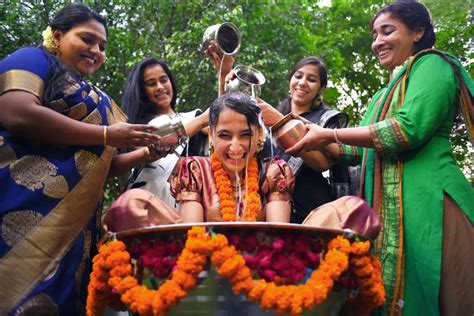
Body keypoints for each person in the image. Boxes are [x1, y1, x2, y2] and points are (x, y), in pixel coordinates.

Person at [286, 1, 474, 315]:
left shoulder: (433, 65)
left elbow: (406, 130)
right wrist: (305, 134)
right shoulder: (381, 94)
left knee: (433, 291)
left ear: (418, 32)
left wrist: (328, 134)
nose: (377, 42)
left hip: (428, 204)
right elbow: (356, 151)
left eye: (387, 31)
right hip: (386, 210)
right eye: (375, 34)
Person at [0, 4, 160, 314]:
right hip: (17, 206)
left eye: (102, 46)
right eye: (87, 39)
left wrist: (144, 152)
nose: (96, 50)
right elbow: (16, 112)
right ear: (57, 36)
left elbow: (102, 166)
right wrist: (105, 135)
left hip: (73, 233)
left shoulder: (97, 98)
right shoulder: (33, 59)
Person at [171, 92, 295, 223]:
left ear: (259, 134)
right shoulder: (195, 171)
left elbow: (277, 238)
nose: (235, 147)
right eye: (224, 135)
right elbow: (192, 235)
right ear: (211, 136)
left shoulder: (273, 174)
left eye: (246, 135)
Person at [257, 57, 352, 224]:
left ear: (321, 89)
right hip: (268, 208)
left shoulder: (324, 120)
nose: (302, 83)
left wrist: (282, 121)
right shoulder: (266, 119)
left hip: (310, 209)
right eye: (298, 76)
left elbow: (321, 164)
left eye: (312, 79)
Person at [121, 57, 209, 207]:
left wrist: (224, 73)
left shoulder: (193, 118)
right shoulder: (139, 126)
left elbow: (224, 129)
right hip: (149, 209)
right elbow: (157, 143)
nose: (160, 87)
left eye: (163, 80)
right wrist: (202, 120)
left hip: (192, 207)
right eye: (151, 84)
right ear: (142, 91)